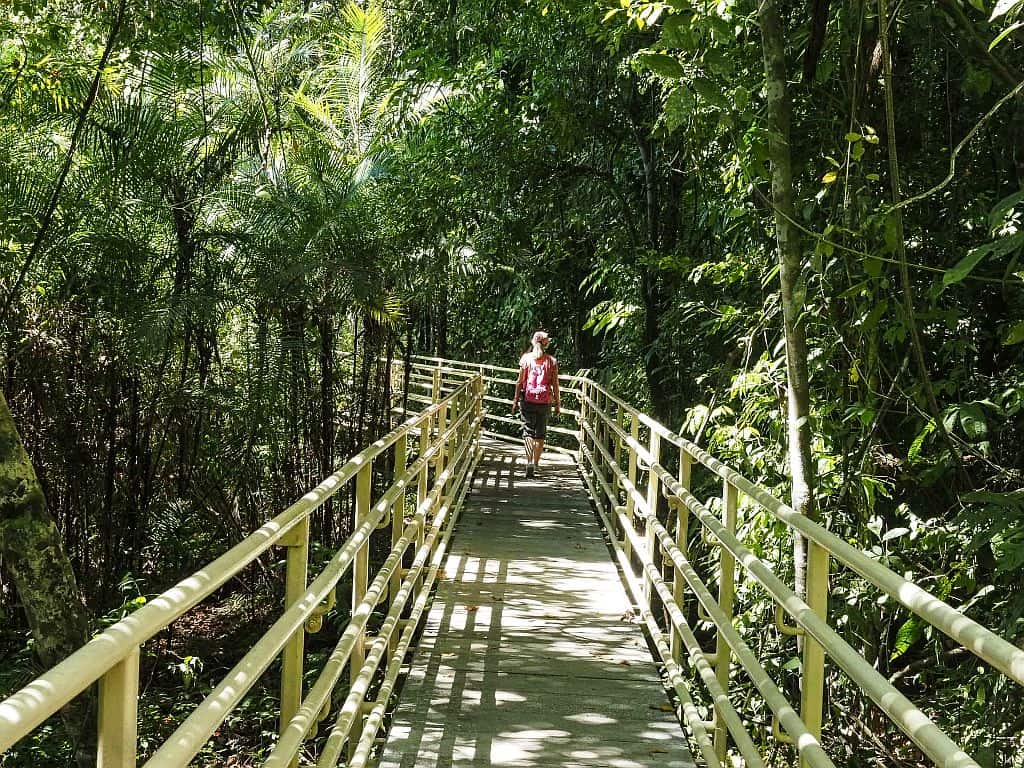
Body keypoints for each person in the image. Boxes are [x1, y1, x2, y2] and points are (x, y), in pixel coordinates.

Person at [511, 331, 561, 477]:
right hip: (545, 401)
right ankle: (537, 463)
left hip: (528, 400)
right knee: (540, 434)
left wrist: (515, 401)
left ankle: (529, 462)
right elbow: (555, 385)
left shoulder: (526, 359)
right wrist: (558, 403)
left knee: (528, 432)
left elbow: (519, 382)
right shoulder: (552, 361)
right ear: (545, 344)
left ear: (533, 341)